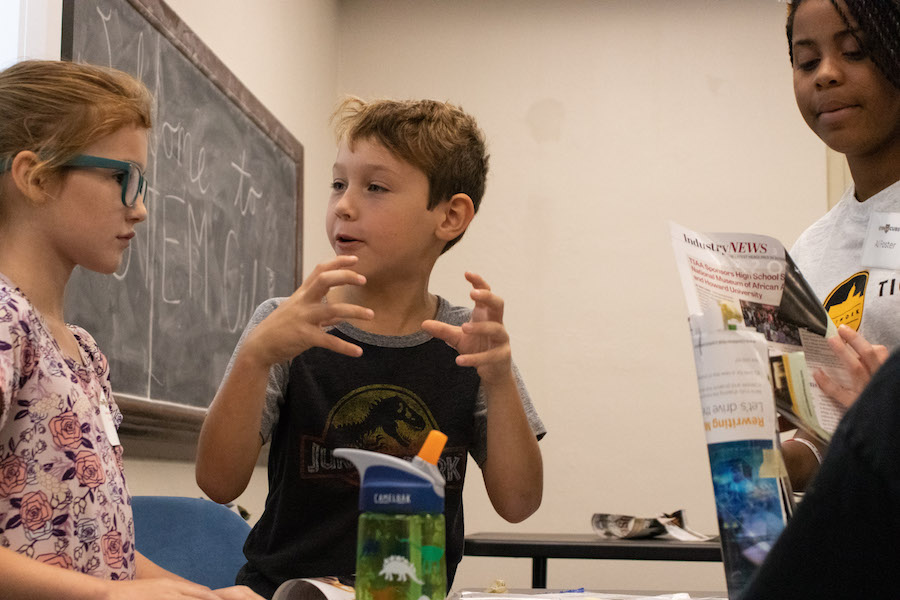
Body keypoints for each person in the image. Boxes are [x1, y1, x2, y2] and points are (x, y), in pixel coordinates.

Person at [196, 97, 545, 598]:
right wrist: (256, 357)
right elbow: (217, 484)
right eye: (338, 183)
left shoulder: (468, 339)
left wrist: (499, 379)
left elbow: (519, 503)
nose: (344, 204)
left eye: (375, 187)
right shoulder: (287, 323)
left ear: (450, 216)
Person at [0, 59, 262, 600]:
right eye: (121, 177)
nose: (140, 208)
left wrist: (203, 596)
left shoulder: (82, 351)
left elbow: (102, 546)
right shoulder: (5, 323)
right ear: (36, 176)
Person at [779, 0, 900, 491]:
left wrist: (884, 418)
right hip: (853, 548)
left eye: (854, 51)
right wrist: (773, 459)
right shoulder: (808, 252)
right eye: (806, 61)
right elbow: (820, 438)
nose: (825, 75)